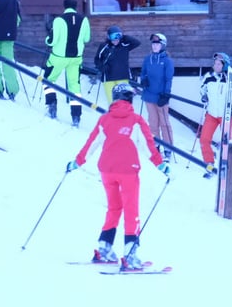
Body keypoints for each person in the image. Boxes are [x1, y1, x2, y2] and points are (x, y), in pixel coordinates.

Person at [67, 83, 170, 270]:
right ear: (129, 98)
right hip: (128, 171)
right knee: (131, 209)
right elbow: (148, 146)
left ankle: (104, 247)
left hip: (106, 170)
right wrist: (161, 165)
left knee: (114, 208)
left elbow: (92, 143)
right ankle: (130, 254)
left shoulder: (104, 120)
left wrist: (77, 162)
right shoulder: (136, 120)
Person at [198, 52, 232, 178]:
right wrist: (204, 96)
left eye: (219, 64)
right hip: (212, 114)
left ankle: (229, 163)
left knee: (226, 141)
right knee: (204, 139)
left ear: (225, 65)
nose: (216, 66)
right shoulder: (208, 77)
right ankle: (209, 164)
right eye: (215, 63)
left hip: (226, 114)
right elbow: (202, 89)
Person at [43, 0, 91, 126]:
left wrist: (47, 39)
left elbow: (52, 41)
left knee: (48, 79)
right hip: (76, 58)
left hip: (58, 57)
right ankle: (76, 116)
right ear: (76, 7)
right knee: (74, 86)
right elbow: (86, 39)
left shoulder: (59, 20)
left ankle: (51, 105)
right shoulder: (84, 20)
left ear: (64, 7)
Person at [140, 33, 174, 155]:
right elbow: (143, 72)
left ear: (163, 45)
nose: (155, 46)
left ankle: (168, 148)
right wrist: (143, 79)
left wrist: (166, 94)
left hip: (161, 97)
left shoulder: (167, 61)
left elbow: (168, 79)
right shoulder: (147, 59)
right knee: (153, 123)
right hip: (149, 96)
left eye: (157, 44)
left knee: (164, 123)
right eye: (153, 44)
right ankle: (156, 145)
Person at [94, 25, 141, 103]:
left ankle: (125, 115)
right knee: (112, 102)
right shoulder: (104, 46)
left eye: (118, 36)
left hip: (122, 77)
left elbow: (137, 43)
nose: (116, 40)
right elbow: (97, 59)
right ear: (109, 37)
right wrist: (101, 67)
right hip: (108, 78)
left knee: (124, 101)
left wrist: (124, 37)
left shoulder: (124, 45)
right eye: (113, 37)